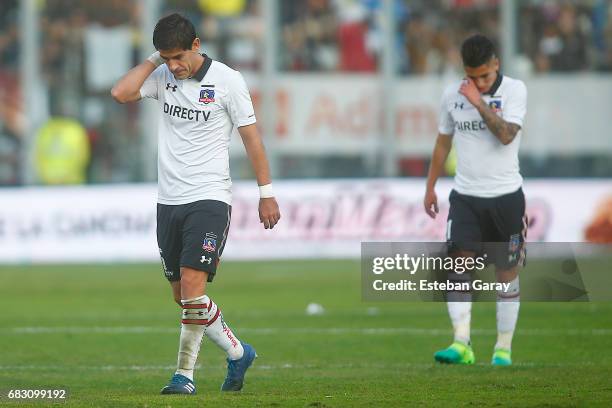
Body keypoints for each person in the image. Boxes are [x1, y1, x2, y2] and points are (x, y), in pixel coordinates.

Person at [111, 13, 281, 394]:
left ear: (196, 46)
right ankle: (238, 353)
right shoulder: (163, 75)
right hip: (168, 200)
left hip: (210, 196)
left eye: (178, 57)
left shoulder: (228, 81)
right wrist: (157, 60)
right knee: (182, 296)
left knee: (191, 286)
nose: (174, 65)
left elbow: (252, 139)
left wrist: (266, 193)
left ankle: (184, 375)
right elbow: (120, 93)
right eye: (165, 58)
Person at [424, 34, 527, 366]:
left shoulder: (515, 90)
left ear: (496, 64)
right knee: (457, 266)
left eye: (485, 76)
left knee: (506, 271)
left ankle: (503, 349)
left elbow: (506, 134)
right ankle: (461, 343)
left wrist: (479, 102)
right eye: (472, 77)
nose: (479, 83)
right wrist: (430, 187)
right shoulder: (452, 96)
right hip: (465, 198)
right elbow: (443, 143)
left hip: (507, 199)